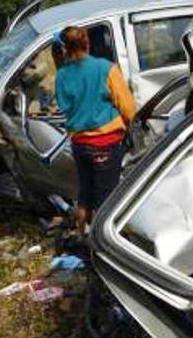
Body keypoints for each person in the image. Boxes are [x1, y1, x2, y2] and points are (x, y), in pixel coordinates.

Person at [55, 26, 136, 233]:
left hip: (80, 145)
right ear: (87, 43)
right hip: (106, 144)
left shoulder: (62, 75)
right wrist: (126, 123)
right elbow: (128, 109)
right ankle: (103, 243)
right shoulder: (106, 68)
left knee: (85, 195)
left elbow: (64, 106)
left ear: (65, 48)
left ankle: (82, 237)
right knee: (106, 199)